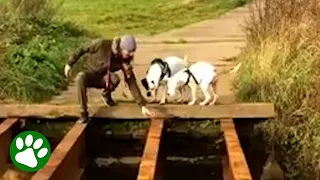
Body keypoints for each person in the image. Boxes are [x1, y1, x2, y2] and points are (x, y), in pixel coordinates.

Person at [64, 35, 156, 123]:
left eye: (132, 52)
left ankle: (106, 95)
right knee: (81, 77)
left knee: (115, 79)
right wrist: (69, 64)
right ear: (121, 48)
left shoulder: (125, 60)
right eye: (128, 51)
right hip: (89, 75)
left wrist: (142, 105)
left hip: (103, 79)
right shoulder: (101, 44)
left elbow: (131, 82)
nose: (130, 54)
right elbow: (82, 49)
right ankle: (83, 113)